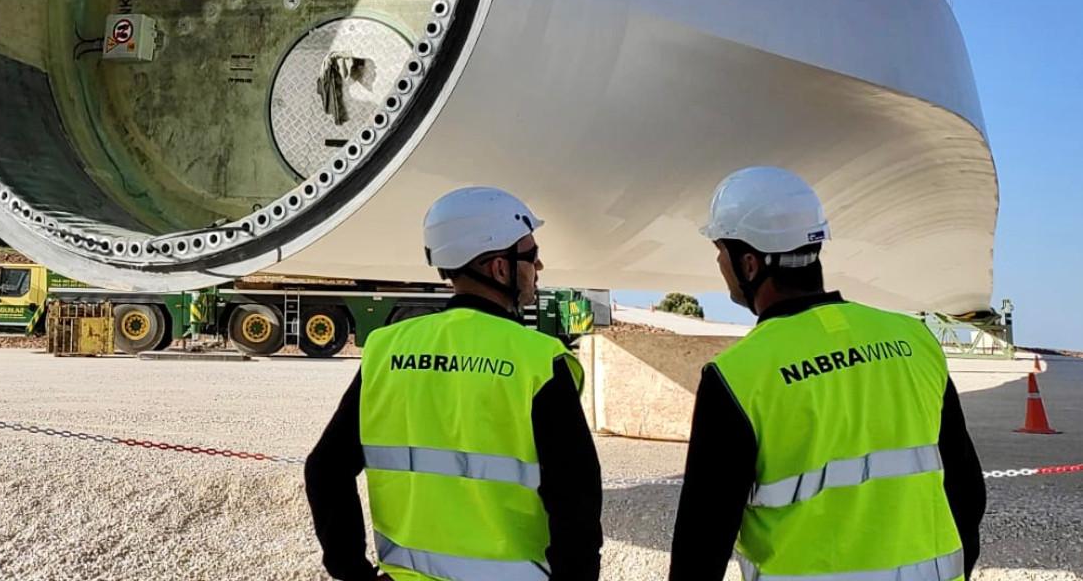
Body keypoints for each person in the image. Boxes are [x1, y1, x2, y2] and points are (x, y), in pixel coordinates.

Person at [669, 166, 986, 580]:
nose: (720, 264)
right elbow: (966, 491)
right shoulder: (914, 340)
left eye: (720, 252)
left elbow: (702, 544)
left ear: (749, 264)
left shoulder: (738, 377)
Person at [305, 186, 602, 581]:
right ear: (499, 267)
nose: (539, 265)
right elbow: (576, 508)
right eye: (530, 255)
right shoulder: (538, 360)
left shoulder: (387, 350)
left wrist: (352, 572)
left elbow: (325, 469)